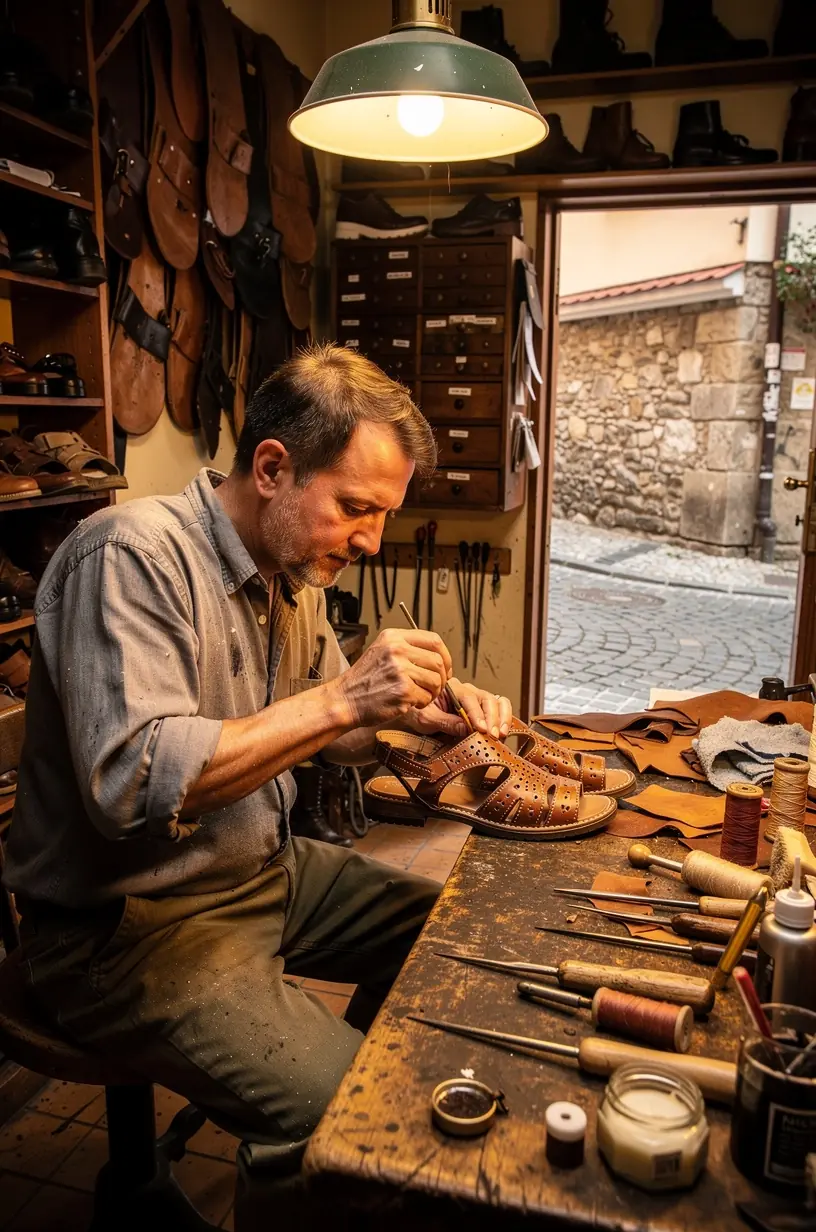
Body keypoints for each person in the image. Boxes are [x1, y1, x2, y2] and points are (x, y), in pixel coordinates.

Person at [4, 343, 513, 1224]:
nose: (370, 541)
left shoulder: (291, 576)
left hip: (258, 872)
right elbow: (130, 782)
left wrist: (407, 720)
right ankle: (308, 1137)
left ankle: (303, 1080)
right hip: (125, 927)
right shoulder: (127, 556)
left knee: (462, 941)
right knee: (357, 1123)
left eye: (383, 516)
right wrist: (347, 694)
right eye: (357, 508)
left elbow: (328, 737)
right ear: (273, 467)